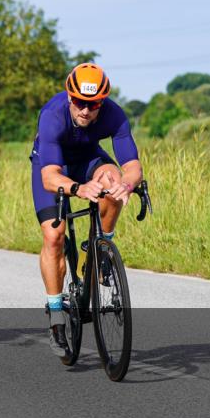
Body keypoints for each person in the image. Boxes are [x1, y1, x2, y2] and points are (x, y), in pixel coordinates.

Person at [30, 63, 143, 360]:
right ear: (70, 97)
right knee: (54, 236)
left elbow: (132, 167)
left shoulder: (114, 115)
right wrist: (79, 189)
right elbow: (49, 177)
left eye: (92, 105)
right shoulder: (53, 115)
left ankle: (101, 248)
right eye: (79, 102)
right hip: (54, 165)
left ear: (102, 103)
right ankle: (56, 316)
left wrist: (127, 186)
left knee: (113, 179)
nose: (85, 110)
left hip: (89, 158)